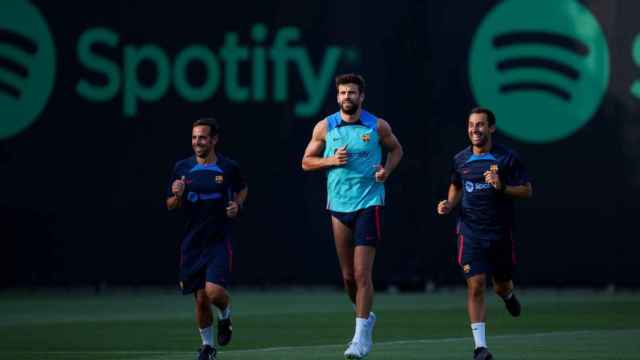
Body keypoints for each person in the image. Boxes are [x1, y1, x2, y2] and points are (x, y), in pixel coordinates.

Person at [302, 73, 403, 359]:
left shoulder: (376, 125)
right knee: (348, 278)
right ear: (337, 97)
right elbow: (306, 162)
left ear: (362, 97)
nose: (348, 97)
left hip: (369, 203)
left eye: (353, 93)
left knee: (362, 274)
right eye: (343, 93)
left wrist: (386, 170)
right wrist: (331, 160)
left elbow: (396, 150)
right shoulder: (326, 126)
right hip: (339, 207)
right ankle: (366, 317)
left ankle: (360, 339)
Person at [437, 107, 532, 360]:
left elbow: (526, 191)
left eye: (480, 125)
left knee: (500, 286)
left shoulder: (507, 158)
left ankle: (508, 295)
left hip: (500, 233)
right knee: (476, 286)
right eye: (471, 125)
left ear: (491, 128)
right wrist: (448, 204)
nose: (474, 130)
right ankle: (480, 347)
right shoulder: (460, 159)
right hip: (470, 233)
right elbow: (456, 186)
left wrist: (501, 187)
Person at [166, 118, 248, 360]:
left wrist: (237, 205)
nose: (197, 142)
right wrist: (176, 196)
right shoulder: (182, 168)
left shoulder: (228, 167)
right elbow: (170, 205)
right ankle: (208, 347)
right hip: (192, 244)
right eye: (194, 137)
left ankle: (225, 316)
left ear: (214, 140)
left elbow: (242, 189)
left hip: (218, 241)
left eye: (202, 137)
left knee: (214, 293)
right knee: (200, 299)